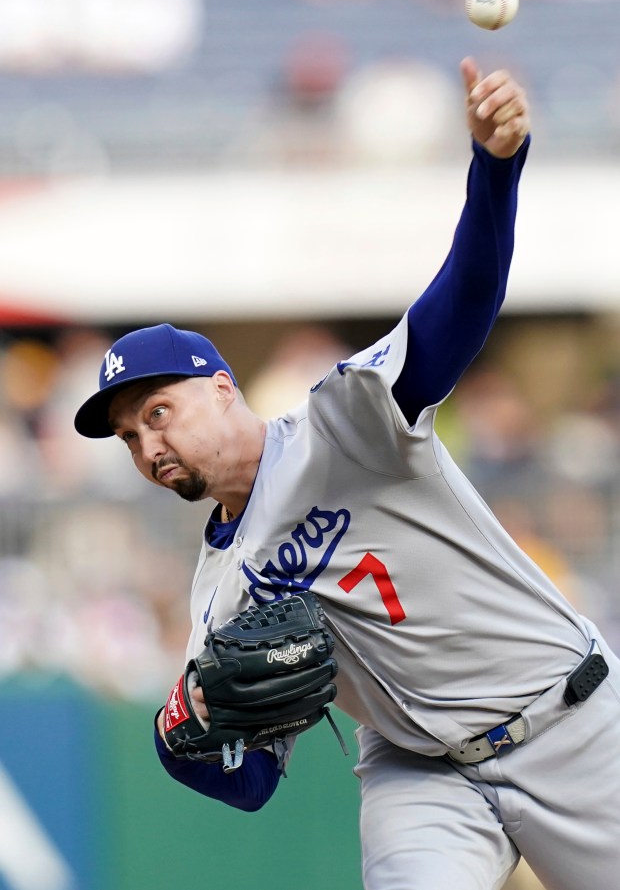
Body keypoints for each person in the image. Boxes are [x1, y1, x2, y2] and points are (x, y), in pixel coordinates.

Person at [74, 57, 620, 890]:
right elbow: (250, 782)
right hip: (420, 774)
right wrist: (178, 730)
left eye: (157, 412)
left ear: (222, 388)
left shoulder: (346, 422)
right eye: (127, 436)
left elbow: (461, 304)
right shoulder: (220, 596)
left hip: (565, 716)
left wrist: (495, 167)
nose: (148, 445)